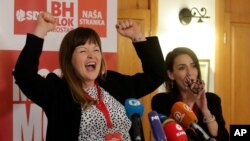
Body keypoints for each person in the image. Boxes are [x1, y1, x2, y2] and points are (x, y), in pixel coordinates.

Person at [13, 12, 165, 141]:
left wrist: (137, 36)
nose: (91, 55)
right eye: (83, 50)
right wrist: (39, 31)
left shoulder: (114, 83)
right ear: (69, 60)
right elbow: (24, 75)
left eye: (96, 49)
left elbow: (156, 75)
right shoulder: (58, 92)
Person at [151, 47, 229, 141]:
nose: (190, 72)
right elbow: (169, 136)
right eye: (182, 68)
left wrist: (205, 111)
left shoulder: (212, 99)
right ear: (171, 74)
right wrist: (189, 101)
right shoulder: (161, 100)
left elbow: (223, 138)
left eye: (193, 66)